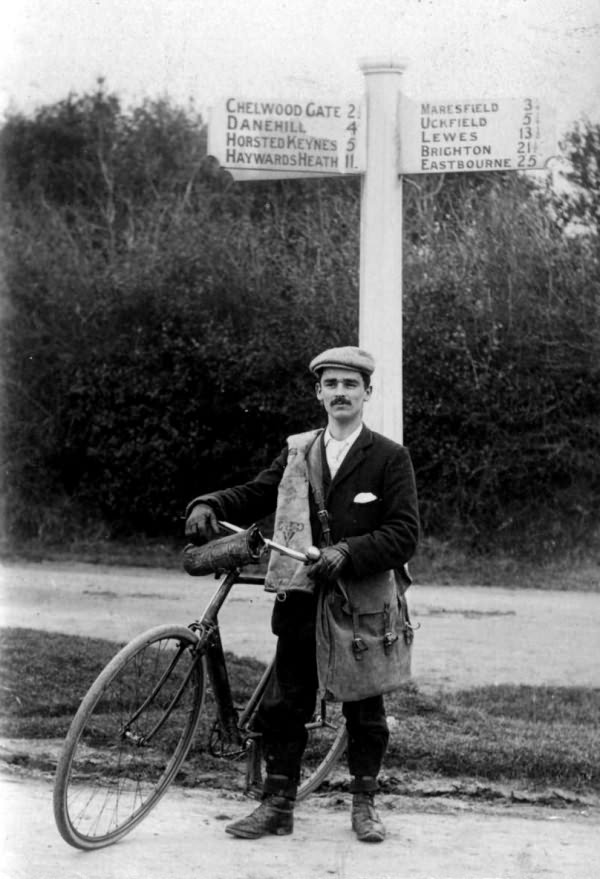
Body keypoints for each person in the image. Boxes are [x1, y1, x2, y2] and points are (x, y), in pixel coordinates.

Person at [185, 346, 419, 843]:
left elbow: (404, 534)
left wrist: (349, 553)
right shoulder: (299, 452)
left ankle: (364, 804)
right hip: (299, 593)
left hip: (361, 604)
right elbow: (256, 492)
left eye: (350, 385)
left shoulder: (389, 458)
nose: (340, 393)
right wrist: (208, 501)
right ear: (318, 393)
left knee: (364, 709)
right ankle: (277, 805)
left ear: (367, 393)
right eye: (331, 384)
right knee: (284, 703)